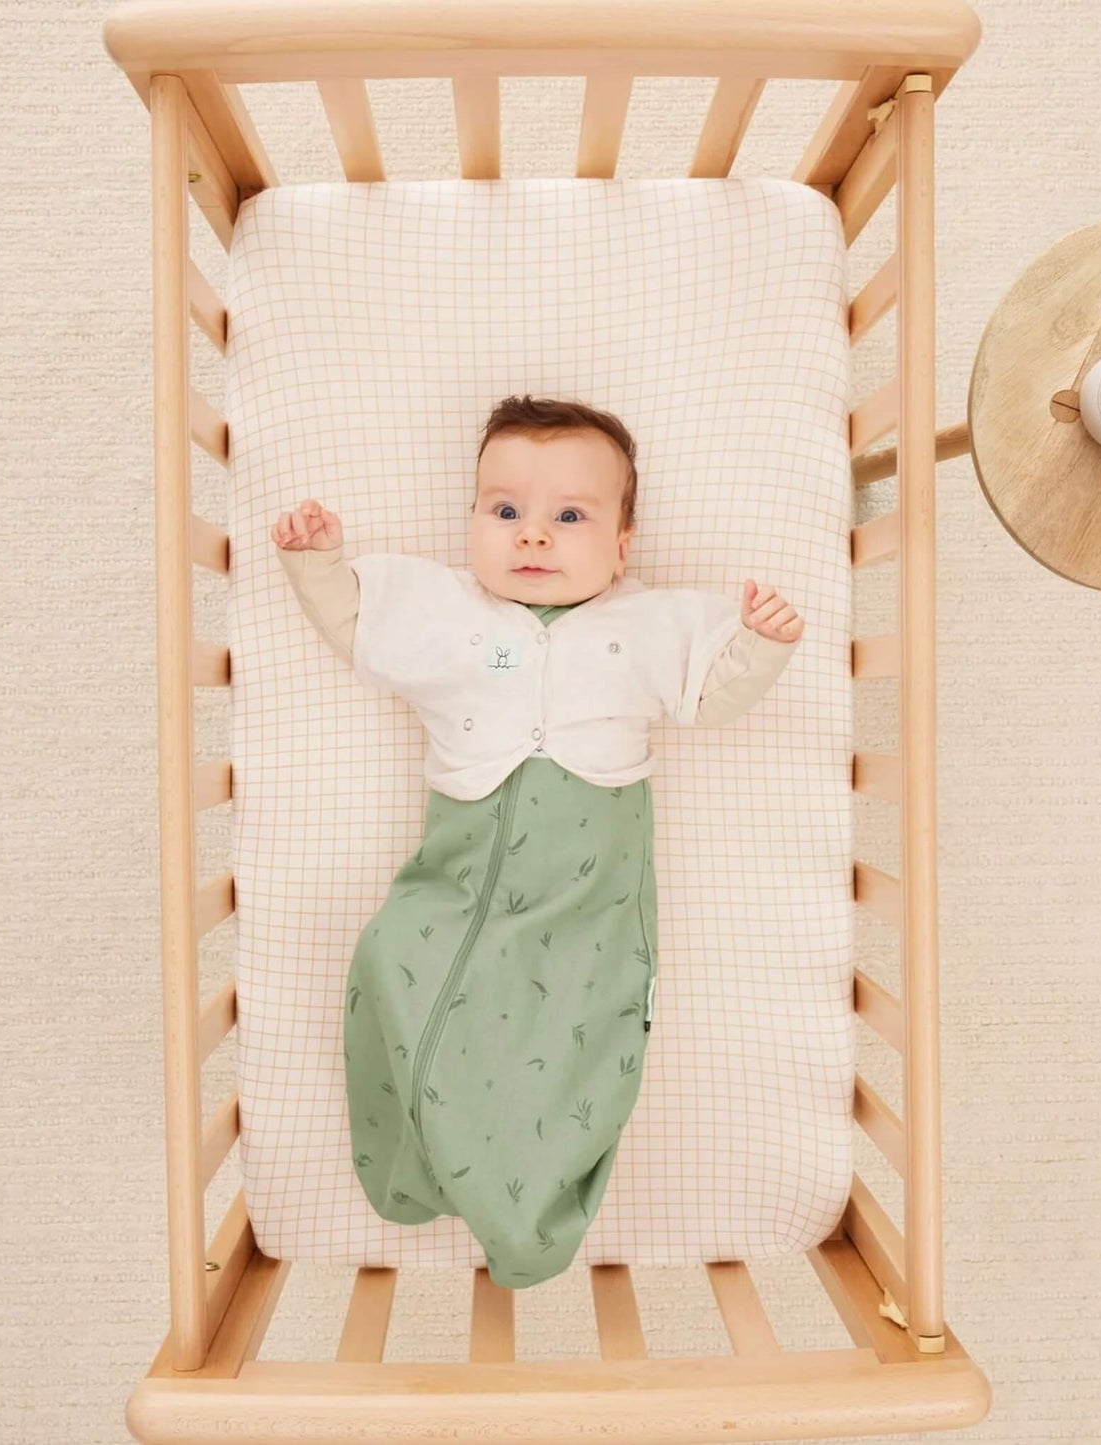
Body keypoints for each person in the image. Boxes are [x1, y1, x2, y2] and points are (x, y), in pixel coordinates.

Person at [272, 394, 803, 1288]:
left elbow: (712, 694)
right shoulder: (444, 611)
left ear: (623, 544)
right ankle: (409, 1162)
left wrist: (759, 643)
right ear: (471, 521)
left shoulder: (648, 624)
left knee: (573, 1030)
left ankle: (530, 1213)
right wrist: (317, 562)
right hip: (458, 871)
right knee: (389, 960)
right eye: (505, 510)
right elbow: (357, 625)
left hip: (588, 895)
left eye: (570, 516)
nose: (533, 536)